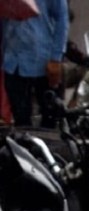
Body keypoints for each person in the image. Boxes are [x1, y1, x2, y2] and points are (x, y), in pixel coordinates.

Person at [2, 0, 68, 128]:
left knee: (49, 119)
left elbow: (62, 18)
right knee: (21, 120)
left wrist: (56, 58)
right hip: (13, 63)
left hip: (43, 62)